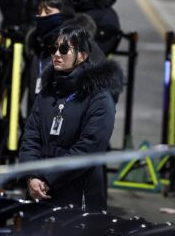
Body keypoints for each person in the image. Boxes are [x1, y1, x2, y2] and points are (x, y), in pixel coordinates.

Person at [19, 26, 123, 212]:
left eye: (64, 49)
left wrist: (49, 178)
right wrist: (31, 176)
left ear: (82, 55)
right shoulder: (47, 92)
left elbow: (89, 148)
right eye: (53, 49)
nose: (56, 54)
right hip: (40, 190)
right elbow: (30, 137)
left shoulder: (99, 97)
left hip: (79, 194)